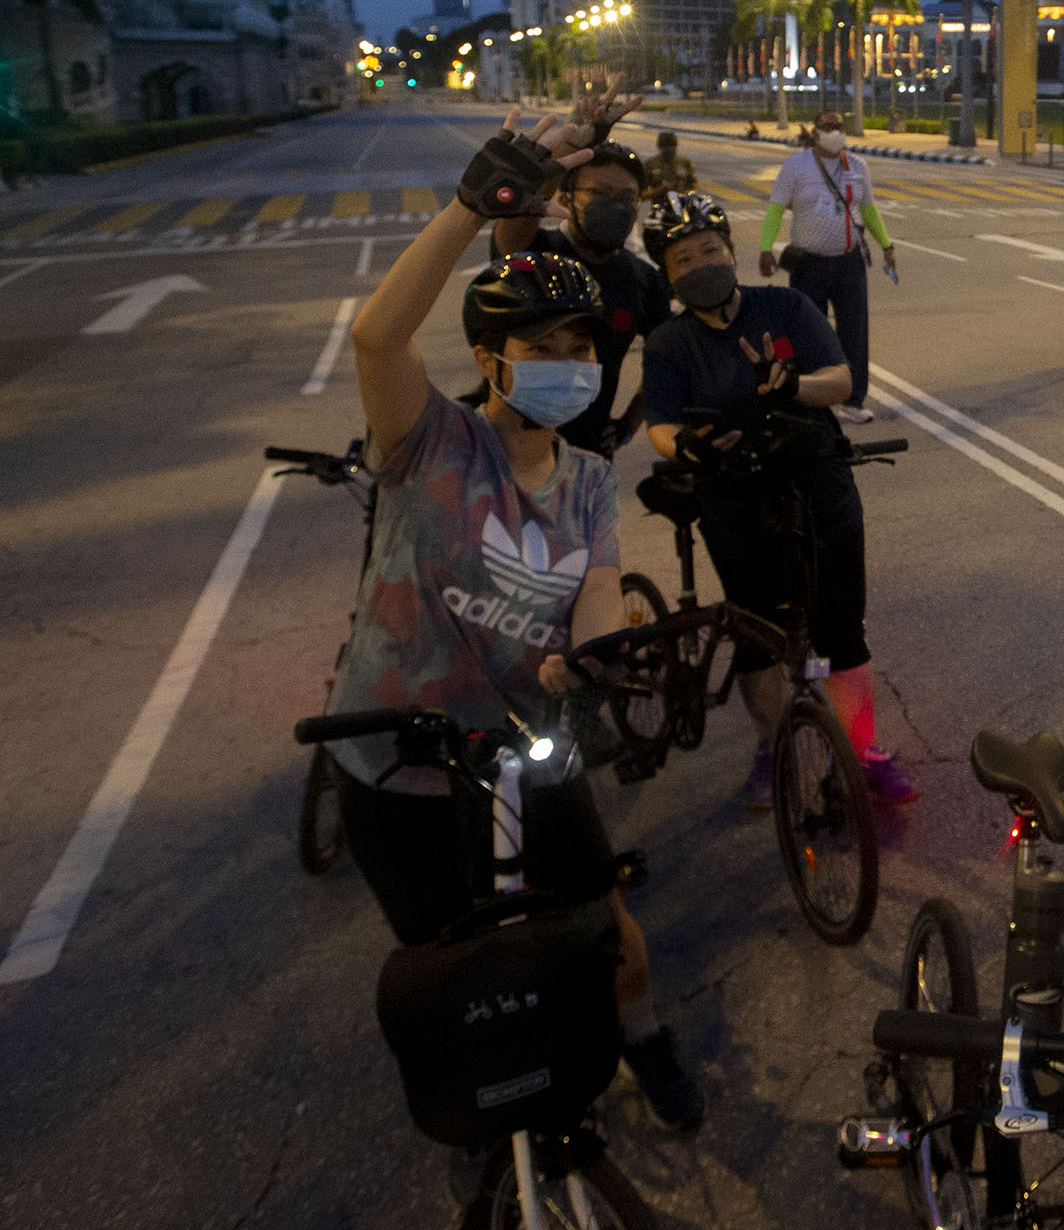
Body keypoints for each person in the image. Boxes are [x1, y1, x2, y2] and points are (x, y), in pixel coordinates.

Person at [334, 111, 703, 1131]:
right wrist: (466, 209)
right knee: (463, 966)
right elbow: (375, 335)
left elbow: (597, 581)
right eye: (540, 346)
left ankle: (642, 1040)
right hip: (393, 766)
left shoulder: (585, 477)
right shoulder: (430, 441)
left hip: (524, 757)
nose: (566, 362)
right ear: (491, 358)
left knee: (605, 932)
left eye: (579, 346)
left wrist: (593, 656)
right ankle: (496, 1103)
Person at [641, 190, 919, 805]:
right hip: (735, 505)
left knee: (842, 631)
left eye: (710, 250)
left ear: (731, 251)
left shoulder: (787, 307)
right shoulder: (669, 342)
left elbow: (841, 380)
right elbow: (656, 421)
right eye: (683, 259)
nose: (700, 265)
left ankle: (865, 754)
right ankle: (772, 750)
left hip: (818, 492)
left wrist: (794, 385)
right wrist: (687, 446)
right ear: (668, 273)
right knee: (757, 635)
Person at [489, 101, 672, 459]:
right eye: (598, 194)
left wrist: (626, 426)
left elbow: (666, 361)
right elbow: (511, 230)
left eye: (626, 197)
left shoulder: (644, 281)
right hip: (507, 450)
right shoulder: (535, 256)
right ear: (565, 198)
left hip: (587, 459)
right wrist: (566, 149)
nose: (614, 205)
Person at [758, 107, 898, 425]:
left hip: (849, 262)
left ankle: (853, 400)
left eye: (839, 125)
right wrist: (766, 249)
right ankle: (813, 399)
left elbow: (870, 211)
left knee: (854, 332)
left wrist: (887, 245)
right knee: (809, 334)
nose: (834, 131)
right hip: (809, 265)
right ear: (815, 132)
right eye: (827, 126)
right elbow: (776, 209)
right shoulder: (797, 166)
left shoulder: (857, 167)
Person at [641, 130, 696, 202]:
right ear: (659, 147)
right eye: (666, 147)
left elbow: (693, 187)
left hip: (682, 205)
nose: (670, 150)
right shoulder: (650, 165)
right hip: (660, 206)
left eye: (672, 146)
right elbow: (642, 195)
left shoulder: (685, 164)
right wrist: (662, 189)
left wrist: (683, 191)